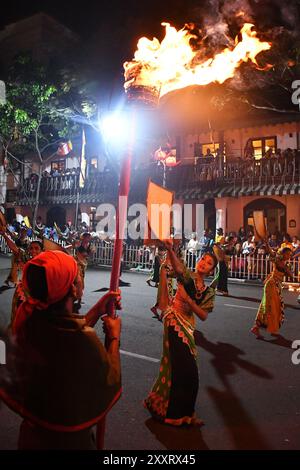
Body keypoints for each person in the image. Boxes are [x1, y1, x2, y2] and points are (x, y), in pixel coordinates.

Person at [0, 250, 121, 449]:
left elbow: (68, 332)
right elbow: (110, 380)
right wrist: (114, 337)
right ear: (73, 288)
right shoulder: (82, 341)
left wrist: (98, 310)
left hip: (31, 439)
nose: (82, 277)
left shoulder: (33, 323)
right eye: (78, 275)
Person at [144, 241, 217, 426]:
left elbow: (204, 316)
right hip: (174, 320)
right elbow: (177, 267)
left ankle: (186, 414)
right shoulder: (187, 277)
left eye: (209, 263)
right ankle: (174, 416)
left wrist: (191, 303)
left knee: (190, 373)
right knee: (182, 369)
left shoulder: (209, 292)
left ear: (211, 271)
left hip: (188, 325)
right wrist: (169, 249)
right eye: (203, 259)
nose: (203, 263)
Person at [251, 245, 294, 338]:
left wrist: (288, 270)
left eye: (290, 254)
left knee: (269, 306)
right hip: (271, 285)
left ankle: (258, 327)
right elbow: (271, 253)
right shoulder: (278, 260)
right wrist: (267, 243)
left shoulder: (286, 264)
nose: (289, 256)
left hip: (276, 286)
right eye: (287, 254)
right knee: (272, 307)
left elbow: (291, 276)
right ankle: (269, 328)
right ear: (282, 254)